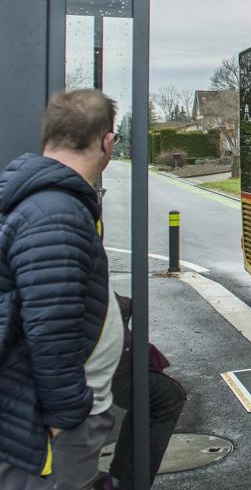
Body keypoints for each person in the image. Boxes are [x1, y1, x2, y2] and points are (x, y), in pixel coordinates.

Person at [0, 90, 124, 489]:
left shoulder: (46, 203)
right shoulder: (57, 212)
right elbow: (50, 327)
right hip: (53, 427)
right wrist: (66, 416)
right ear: (107, 142)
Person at [93, 295, 186, 490]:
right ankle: (125, 483)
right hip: (98, 359)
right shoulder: (72, 266)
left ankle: (118, 479)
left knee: (153, 398)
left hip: (102, 353)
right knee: (163, 398)